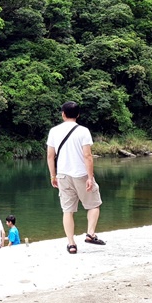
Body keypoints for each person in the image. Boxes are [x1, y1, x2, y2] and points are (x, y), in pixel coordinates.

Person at [46, 101, 105, 254]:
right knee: (93, 205)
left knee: (67, 210)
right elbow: (88, 156)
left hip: (63, 175)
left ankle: (71, 244)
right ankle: (90, 233)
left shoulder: (54, 131)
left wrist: (53, 175)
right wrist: (90, 177)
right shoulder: (83, 131)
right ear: (78, 115)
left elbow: (50, 156)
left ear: (63, 114)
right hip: (81, 174)